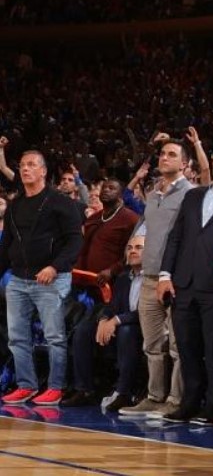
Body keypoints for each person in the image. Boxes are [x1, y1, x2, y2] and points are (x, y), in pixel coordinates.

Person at [159, 146, 213, 424]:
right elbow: (175, 237)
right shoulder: (193, 195)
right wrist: (164, 275)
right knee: (187, 349)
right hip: (184, 284)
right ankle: (189, 403)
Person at [0, 150, 83, 406]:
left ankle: (56, 387)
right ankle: (26, 385)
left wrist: (55, 267)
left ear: (43, 171)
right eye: (23, 165)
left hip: (51, 278)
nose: (25, 169)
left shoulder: (60, 202)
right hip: (18, 279)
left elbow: (75, 241)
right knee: (17, 337)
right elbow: (7, 247)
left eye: (32, 165)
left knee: (54, 336)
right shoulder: (15, 205)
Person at [119, 139, 192, 418]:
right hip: (148, 277)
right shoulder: (153, 194)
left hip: (173, 279)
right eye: (162, 154)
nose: (164, 158)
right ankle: (154, 396)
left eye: (172, 154)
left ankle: (175, 400)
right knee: (151, 344)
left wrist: (172, 273)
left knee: (177, 345)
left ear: (184, 163)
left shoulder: (190, 194)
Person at [63, 235, 147, 412]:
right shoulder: (123, 278)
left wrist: (116, 320)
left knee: (126, 330)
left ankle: (123, 392)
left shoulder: (153, 279)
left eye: (138, 247)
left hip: (145, 327)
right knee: (84, 329)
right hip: (123, 323)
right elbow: (112, 306)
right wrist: (103, 320)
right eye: (129, 248)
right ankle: (84, 390)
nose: (132, 251)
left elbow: (148, 312)